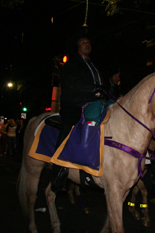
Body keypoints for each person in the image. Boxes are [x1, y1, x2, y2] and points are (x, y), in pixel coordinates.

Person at [51, 28, 106, 193]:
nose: (87, 44)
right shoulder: (71, 64)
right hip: (73, 104)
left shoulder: (93, 66)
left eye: (88, 42)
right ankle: (58, 174)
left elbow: (101, 86)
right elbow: (72, 84)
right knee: (69, 128)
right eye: (83, 42)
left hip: (93, 104)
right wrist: (92, 89)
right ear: (77, 46)